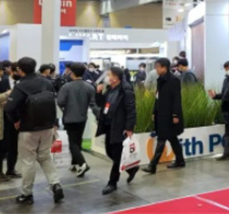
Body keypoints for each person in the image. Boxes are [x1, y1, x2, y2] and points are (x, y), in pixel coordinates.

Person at [5, 57, 63, 205]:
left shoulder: (21, 86)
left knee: (28, 161)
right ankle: (55, 184)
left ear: (19, 69)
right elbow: (53, 103)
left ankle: (27, 194)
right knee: (45, 157)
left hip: (28, 129)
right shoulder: (47, 82)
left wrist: (15, 120)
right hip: (47, 127)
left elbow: (9, 108)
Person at [95, 67, 139, 195]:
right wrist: (98, 93)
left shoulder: (125, 91)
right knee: (110, 152)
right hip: (109, 125)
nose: (107, 77)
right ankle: (131, 169)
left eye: (109, 75)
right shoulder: (110, 89)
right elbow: (101, 104)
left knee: (117, 154)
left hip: (120, 126)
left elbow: (131, 110)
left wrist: (129, 128)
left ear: (115, 77)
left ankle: (112, 182)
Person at [142, 58, 185, 174]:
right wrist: (154, 112)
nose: (156, 69)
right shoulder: (160, 80)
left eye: (158, 67)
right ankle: (180, 160)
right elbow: (157, 98)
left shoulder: (174, 80)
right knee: (172, 139)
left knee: (161, 139)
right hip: (161, 114)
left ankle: (152, 166)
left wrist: (175, 115)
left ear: (164, 67)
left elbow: (177, 99)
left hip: (169, 115)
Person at [57, 62, 99, 177]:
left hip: (69, 118)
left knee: (73, 143)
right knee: (78, 140)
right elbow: (93, 104)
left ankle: (82, 164)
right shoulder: (89, 87)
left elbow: (60, 101)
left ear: (72, 73)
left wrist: (65, 108)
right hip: (82, 118)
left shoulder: (66, 87)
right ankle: (74, 163)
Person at [208, 61, 229, 160]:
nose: (228, 71)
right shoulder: (226, 80)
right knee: (228, 133)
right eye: (226, 69)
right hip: (227, 110)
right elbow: (224, 94)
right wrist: (215, 96)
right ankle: (227, 154)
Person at [0, 61, 21, 180]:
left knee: (14, 146)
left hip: (16, 119)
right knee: (0, 146)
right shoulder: (1, 82)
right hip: (2, 118)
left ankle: (11, 169)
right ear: (12, 71)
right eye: (17, 72)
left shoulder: (22, 83)